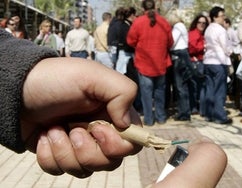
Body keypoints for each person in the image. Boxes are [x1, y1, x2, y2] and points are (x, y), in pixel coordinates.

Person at [0, 29, 227, 186]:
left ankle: (150, 115)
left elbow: (131, 40)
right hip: (157, 67)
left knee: (146, 96)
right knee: (153, 94)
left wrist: (17, 87)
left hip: (144, 66)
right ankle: (152, 116)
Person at [127, 0, 174, 126]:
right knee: (160, 92)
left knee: (146, 94)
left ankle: (148, 119)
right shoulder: (164, 22)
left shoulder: (138, 22)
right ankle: (161, 117)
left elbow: (130, 40)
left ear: (143, 9)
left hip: (144, 63)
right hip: (161, 63)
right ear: (155, 7)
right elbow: (170, 42)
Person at [203, 6, 233, 124]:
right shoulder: (220, 30)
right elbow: (226, 47)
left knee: (210, 89)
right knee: (220, 90)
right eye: (222, 16)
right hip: (219, 61)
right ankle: (220, 116)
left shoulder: (208, 29)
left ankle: (209, 114)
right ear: (215, 17)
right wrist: (231, 51)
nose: (223, 18)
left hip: (208, 61)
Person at [188, 14, 209, 116]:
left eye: (204, 23)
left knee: (202, 87)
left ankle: (201, 109)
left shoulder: (205, 34)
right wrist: (204, 46)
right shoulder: (193, 34)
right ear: (195, 23)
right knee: (194, 87)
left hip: (203, 62)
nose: (202, 24)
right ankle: (193, 108)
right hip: (195, 62)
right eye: (199, 22)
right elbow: (192, 48)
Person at [116, 7, 136, 74]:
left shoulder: (124, 25)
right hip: (126, 53)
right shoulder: (125, 26)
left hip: (126, 53)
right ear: (132, 15)